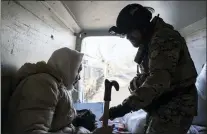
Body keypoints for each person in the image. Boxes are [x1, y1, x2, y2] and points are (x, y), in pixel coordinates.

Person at [100, 4, 198, 134]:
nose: (128, 37)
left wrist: (124, 107)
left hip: (176, 106)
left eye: (130, 32)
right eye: (125, 34)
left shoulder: (164, 38)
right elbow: (151, 75)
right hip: (161, 104)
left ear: (143, 27)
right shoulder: (149, 41)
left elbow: (158, 79)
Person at [8, 47, 113, 134]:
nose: (79, 78)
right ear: (67, 67)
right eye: (77, 71)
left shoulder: (56, 85)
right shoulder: (43, 84)